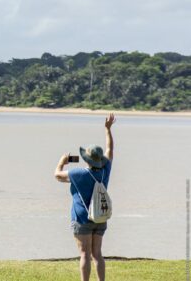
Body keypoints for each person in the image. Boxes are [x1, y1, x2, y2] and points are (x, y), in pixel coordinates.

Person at [55, 113, 115, 281]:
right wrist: (108, 130)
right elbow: (110, 150)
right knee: (97, 254)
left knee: (84, 254)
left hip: (82, 218)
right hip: (100, 217)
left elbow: (57, 175)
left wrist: (62, 161)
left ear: (86, 159)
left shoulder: (78, 173)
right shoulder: (105, 170)